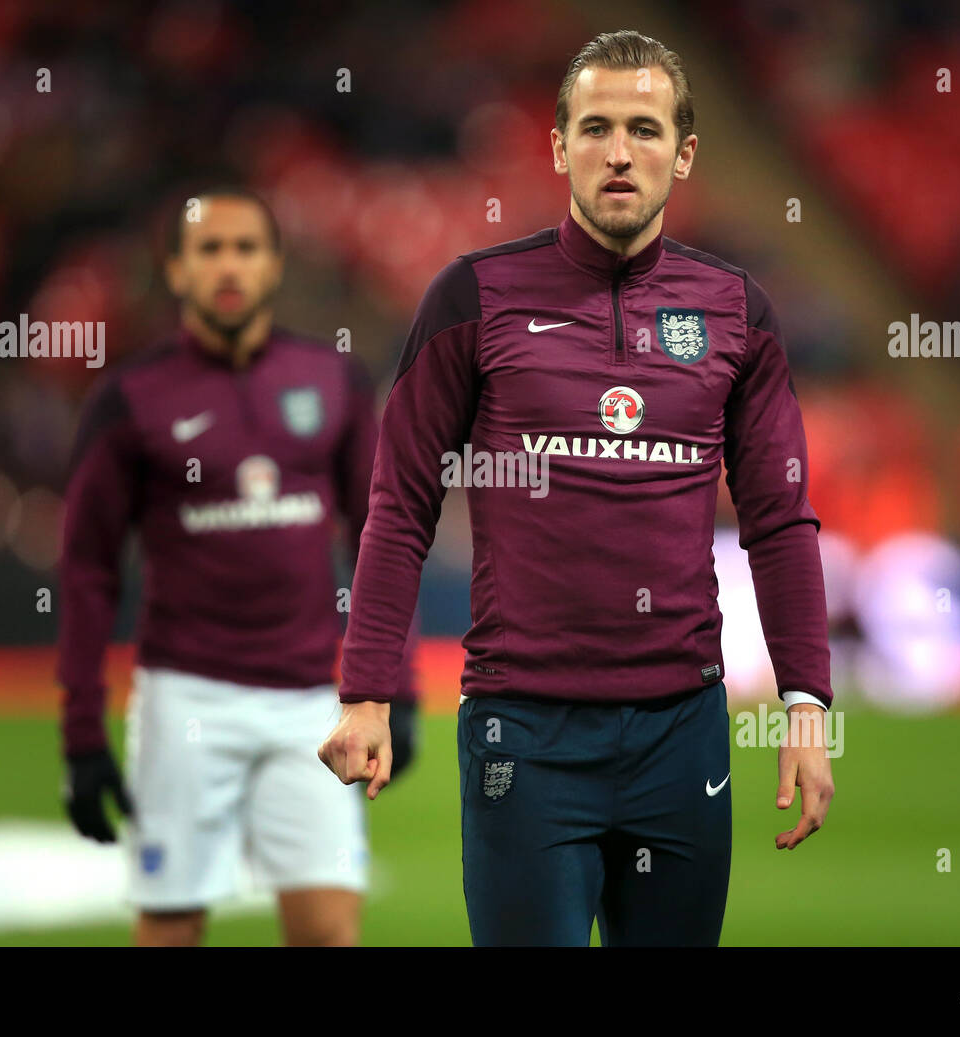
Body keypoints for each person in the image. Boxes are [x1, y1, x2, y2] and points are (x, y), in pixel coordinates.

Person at [320, 31, 833, 946]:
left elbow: (780, 519)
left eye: (644, 128)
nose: (619, 151)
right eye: (595, 127)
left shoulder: (736, 312)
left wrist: (806, 704)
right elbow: (400, 505)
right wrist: (366, 690)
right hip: (525, 732)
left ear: (684, 154)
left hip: (684, 734)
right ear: (558, 147)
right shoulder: (473, 297)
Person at [57, 185, 416, 946]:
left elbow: (382, 535)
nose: (229, 264)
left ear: (275, 264)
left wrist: (393, 690)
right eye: (209, 248)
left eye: (246, 247)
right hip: (186, 698)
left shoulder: (333, 382)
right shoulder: (130, 398)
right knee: (172, 928)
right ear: (177, 270)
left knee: (328, 934)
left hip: (309, 705)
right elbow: (88, 569)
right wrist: (81, 733)